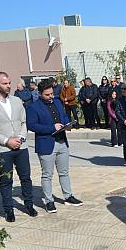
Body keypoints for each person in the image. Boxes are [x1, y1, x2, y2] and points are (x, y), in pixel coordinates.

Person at [0, 72, 38, 222]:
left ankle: (29, 205)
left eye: (9, 83)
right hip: (3, 149)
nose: (8, 86)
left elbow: (24, 122)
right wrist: (6, 141)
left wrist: (21, 137)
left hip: (21, 146)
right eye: (5, 83)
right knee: (6, 181)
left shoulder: (17, 101)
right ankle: (9, 210)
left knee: (26, 178)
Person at [26, 79, 83, 213]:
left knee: (64, 172)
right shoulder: (33, 107)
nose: (51, 96)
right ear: (40, 94)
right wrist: (51, 127)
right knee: (47, 174)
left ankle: (68, 196)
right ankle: (49, 200)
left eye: (52, 93)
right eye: (47, 94)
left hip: (62, 141)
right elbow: (32, 125)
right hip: (46, 144)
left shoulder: (57, 101)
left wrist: (67, 124)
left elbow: (63, 116)